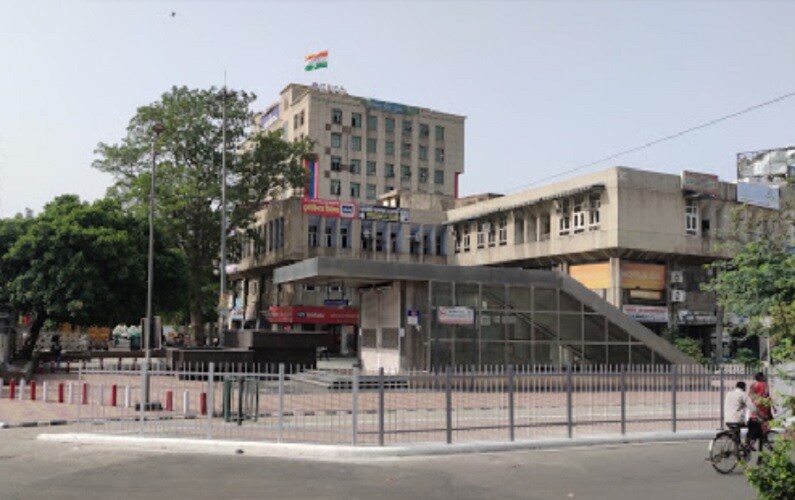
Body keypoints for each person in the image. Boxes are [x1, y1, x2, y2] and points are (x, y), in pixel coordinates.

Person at [724, 381, 757, 448]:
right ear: (744, 388)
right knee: (753, 425)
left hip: (727, 420)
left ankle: (738, 450)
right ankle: (747, 443)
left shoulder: (728, 394)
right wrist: (760, 413)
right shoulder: (743, 395)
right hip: (737, 420)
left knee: (736, 432)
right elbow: (753, 408)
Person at [748, 372, 773, 447]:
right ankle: (761, 447)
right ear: (761, 377)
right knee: (763, 429)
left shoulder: (753, 385)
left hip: (754, 410)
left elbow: (749, 396)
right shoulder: (765, 385)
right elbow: (767, 397)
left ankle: (750, 444)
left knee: (755, 428)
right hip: (763, 410)